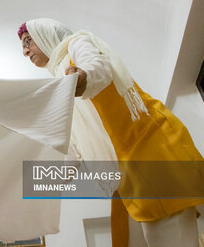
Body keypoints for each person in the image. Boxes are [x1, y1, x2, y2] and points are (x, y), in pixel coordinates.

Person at [18, 18, 204, 247]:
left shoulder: (76, 45)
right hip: (127, 172)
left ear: (46, 35)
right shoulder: (59, 82)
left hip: (151, 151)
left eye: (28, 41)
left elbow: (97, 67)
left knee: (168, 236)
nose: (25, 52)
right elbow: (74, 147)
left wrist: (83, 78)